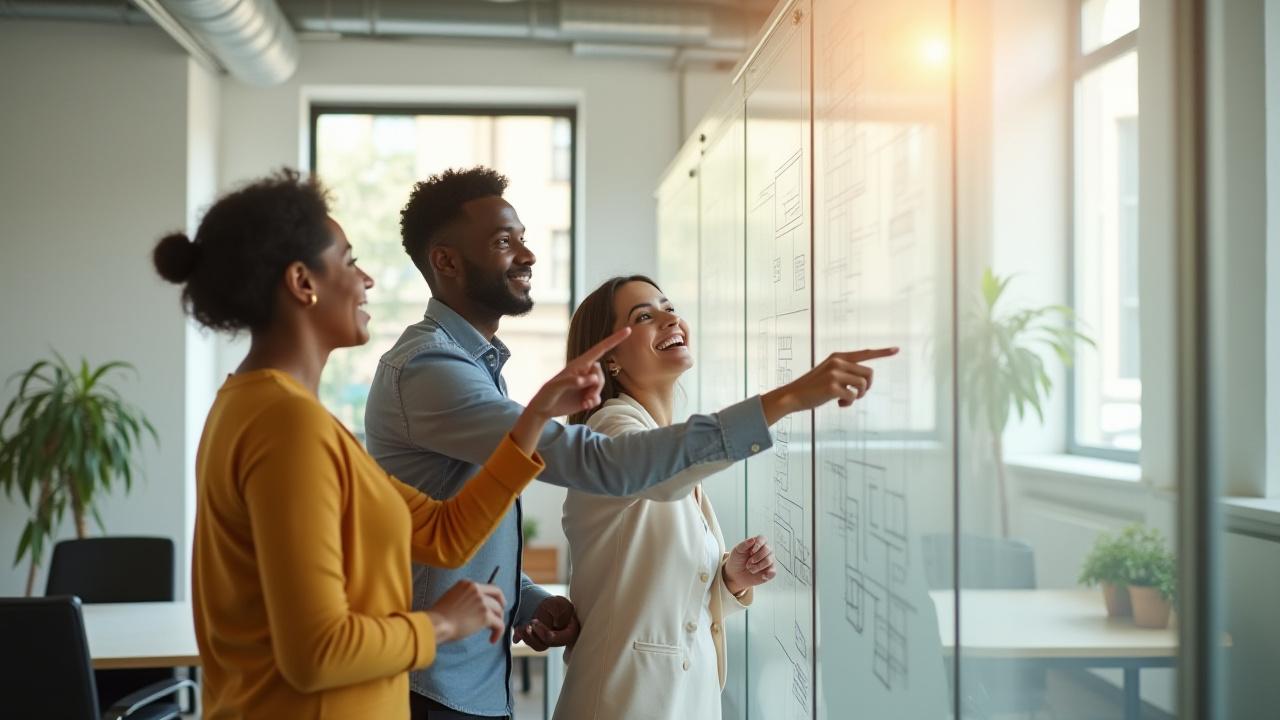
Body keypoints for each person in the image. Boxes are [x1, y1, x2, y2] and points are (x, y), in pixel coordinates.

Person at [364, 166, 897, 719]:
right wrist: (785, 399)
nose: (528, 255)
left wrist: (530, 601)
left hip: (469, 680)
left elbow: (470, 523)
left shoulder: (478, 368)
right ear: (446, 261)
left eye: (523, 238)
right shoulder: (432, 368)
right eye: (504, 241)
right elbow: (604, 463)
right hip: (432, 683)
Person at [152, 168, 628, 720]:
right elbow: (316, 653)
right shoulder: (285, 426)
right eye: (350, 260)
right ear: (303, 282)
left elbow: (444, 534)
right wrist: (444, 624)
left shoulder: (279, 413)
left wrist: (539, 412)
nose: (368, 280)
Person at [555, 275, 783, 719]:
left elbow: (664, 594)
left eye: (668, 306)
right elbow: (655, 468)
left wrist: (729, 579)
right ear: (610, 358)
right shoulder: (611, 430)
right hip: (625, 703)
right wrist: (790, 398)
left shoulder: (658, 441)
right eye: (644, 316)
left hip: (679, 701)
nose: (670, 318)